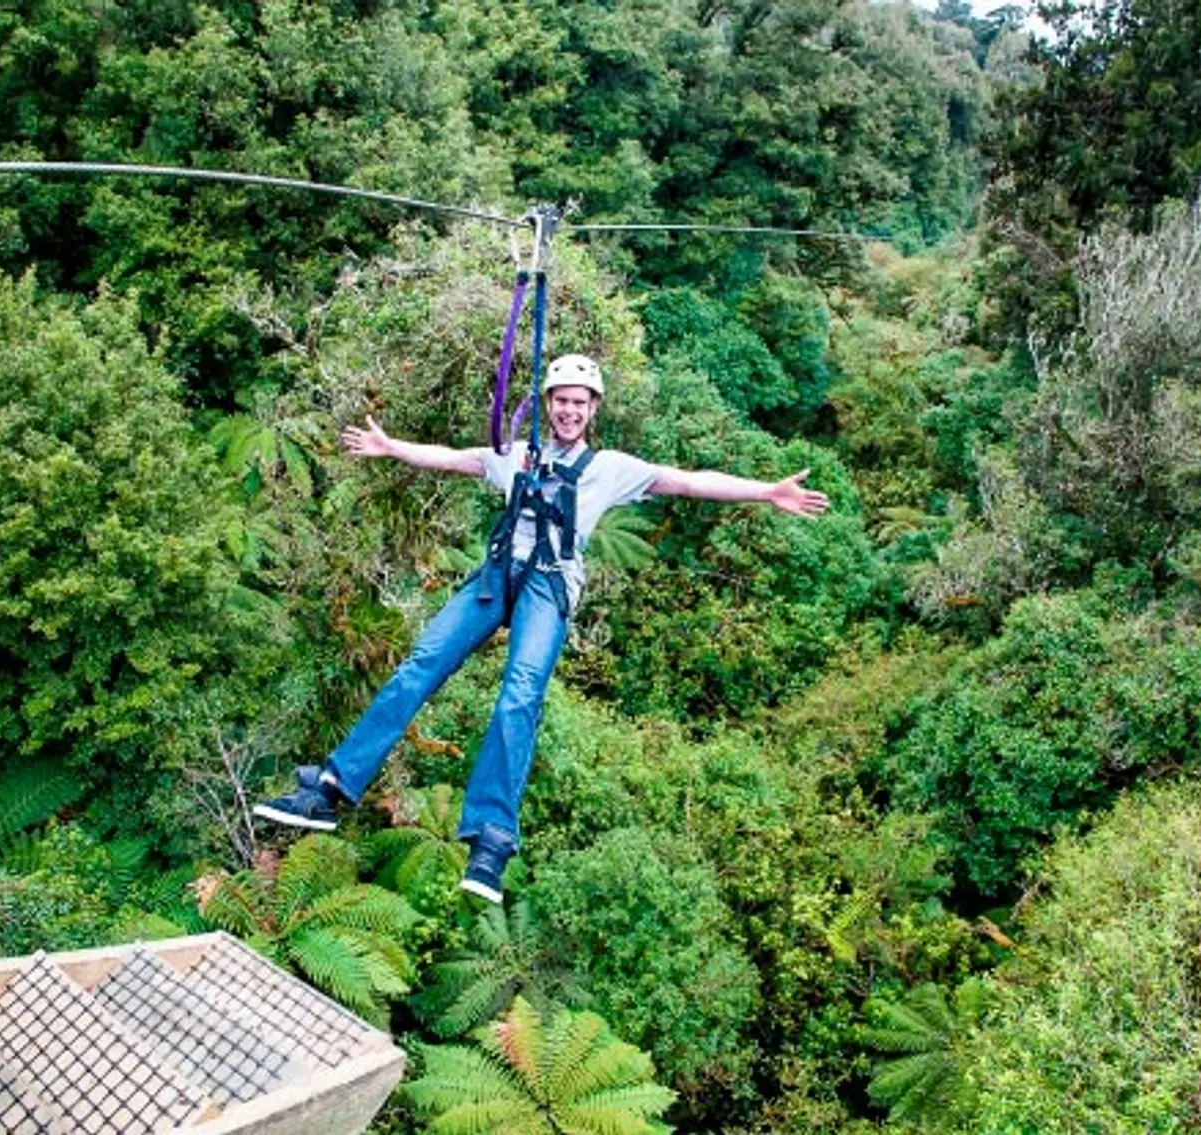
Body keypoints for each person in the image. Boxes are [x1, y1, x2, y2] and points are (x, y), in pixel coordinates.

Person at [254, 354, 829, 901]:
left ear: (593, 409)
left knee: (518, 696)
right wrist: (390, 447)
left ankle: (491, 838)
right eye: (561, 401)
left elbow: (690, 480)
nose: (569, 412)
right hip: (496, 576)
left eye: (580, 403)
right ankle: (332, 789)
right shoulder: (517, 455)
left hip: (548, 587)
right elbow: (454, 458)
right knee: (420, 665)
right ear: (548, 404)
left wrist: (766, 492)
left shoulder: (610, 470)